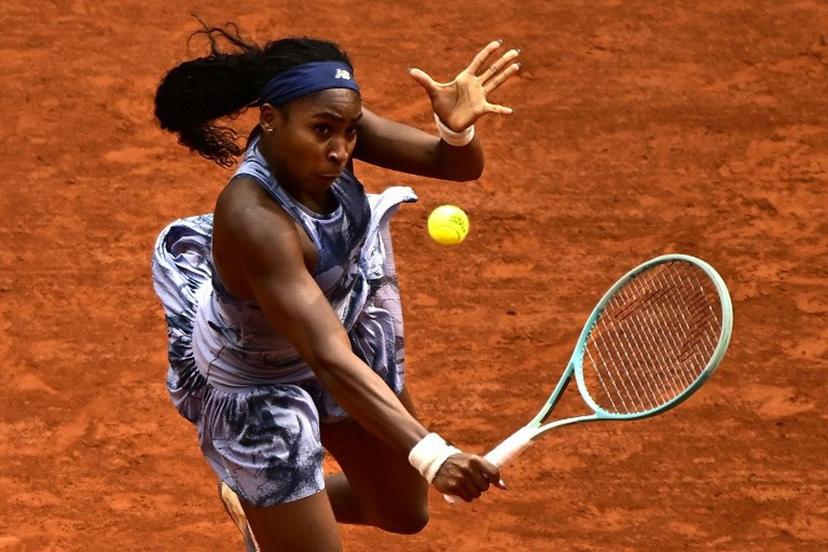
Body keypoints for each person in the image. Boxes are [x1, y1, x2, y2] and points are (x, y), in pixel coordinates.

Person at [151, 22, 521, 552]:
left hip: (338, 327)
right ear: (271, 119)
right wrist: (435, 454)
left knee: (402, 512)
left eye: (350, 130)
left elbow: (453, 165)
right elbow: (327, 357)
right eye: (323, 131)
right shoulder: (254, 217)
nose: (341, 149)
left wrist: (456, 131)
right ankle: (273, 503)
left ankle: (263, 506)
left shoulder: (336, 122)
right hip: (259, 380)